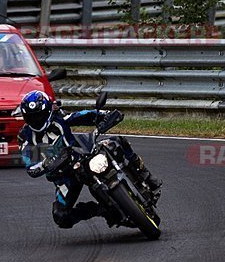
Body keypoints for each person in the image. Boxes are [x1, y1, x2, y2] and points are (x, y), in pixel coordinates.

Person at [17, 91, 161, 230]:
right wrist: (44, 163)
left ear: (48, 111)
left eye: (39, 115)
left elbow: (79, 116)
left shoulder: (58, 117)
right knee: (61, 216)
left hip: (82, 156)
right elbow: (30, 165)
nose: (36, 120)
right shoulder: (26, 137)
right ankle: (101, 210)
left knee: (117, 142)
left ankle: (145, 176)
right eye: (32, 117)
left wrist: (104, 116)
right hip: (64, 177)